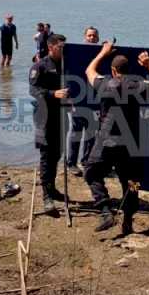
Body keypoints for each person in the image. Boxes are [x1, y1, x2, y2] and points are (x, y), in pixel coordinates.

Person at [84, 41, 149, 235]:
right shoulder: (137, 84)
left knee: (91, 172)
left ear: (114, 70)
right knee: (131, 183)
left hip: (106, 140)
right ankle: (128, 220)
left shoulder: (105, 82)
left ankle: (105, 210)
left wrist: (102, 53)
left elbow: (88, 71)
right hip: (131, 143)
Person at [29, 34, 69, 214]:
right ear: (51, 46)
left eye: (64, 47)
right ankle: (47, 197)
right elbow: (34, 90)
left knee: (57, 153)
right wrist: (53, 94)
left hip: (61, 115)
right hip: (44, 115)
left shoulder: (66, 64)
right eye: (60, 47)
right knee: (46, 156)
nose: (63, 50)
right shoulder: (40, 66)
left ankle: (52, 187)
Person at [66, 26, 100, 176]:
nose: (92, 38)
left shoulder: (101, 54)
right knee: (76, 133)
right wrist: (68, 100)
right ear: (84, 37)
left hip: (95, 101)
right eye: (89, 36)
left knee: (92, 134)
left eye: (94, 36)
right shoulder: (75, 53)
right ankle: (71, 163)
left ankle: (86, 161)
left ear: (98, 38)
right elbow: (67, 75)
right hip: (77, 99)